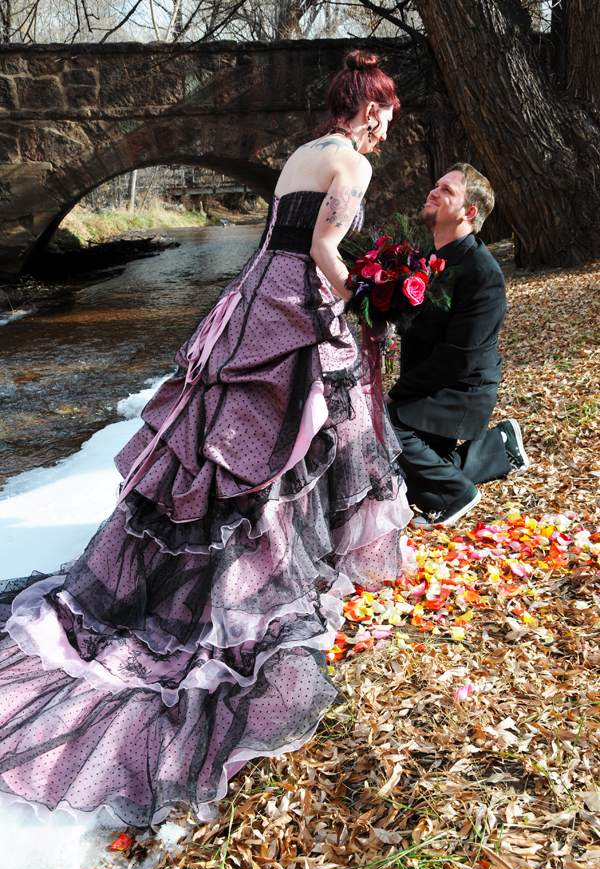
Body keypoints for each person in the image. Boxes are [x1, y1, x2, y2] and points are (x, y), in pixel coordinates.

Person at [0, 51, 411, 827]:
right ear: (366, 107)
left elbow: (279, 240)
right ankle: (264, 573)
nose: (387, 127)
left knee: (238, 434)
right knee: (303, 429)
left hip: (251, 300)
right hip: (296, 305)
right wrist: (367, 297)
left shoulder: (301, 154)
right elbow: (323, 251)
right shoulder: (350, 162)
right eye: (385, 113)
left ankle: (248, 560)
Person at [386, 163, 529, 528]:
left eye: (447, 191)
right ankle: (499, 448)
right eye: (436, 185)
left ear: (469, 212)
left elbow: (458, 358)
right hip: (429, 380)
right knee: (401, 475)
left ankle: (456, 494)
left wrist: (396, 395)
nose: (434, 191)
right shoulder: (423, 257)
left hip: (459, 390)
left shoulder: (482, 273)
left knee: (383, 424)